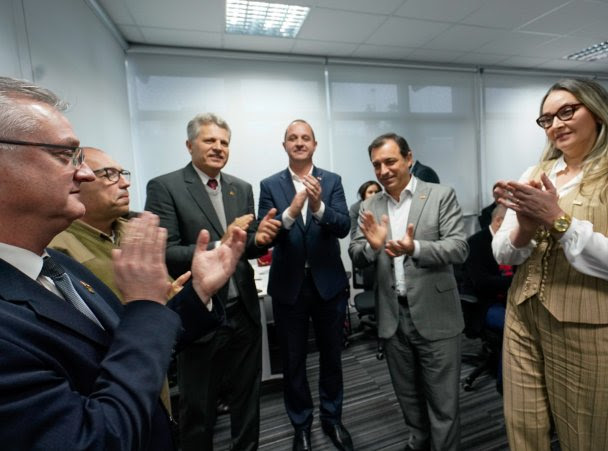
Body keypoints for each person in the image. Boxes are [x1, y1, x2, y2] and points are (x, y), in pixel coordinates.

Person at [0, 77, 245, 450]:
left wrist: (198, 291)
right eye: (64, 155)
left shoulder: (58, 268)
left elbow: (130, 343)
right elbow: (95, 440)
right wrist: (145, 303)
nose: (84, 174)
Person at [492, 78, 608, 450]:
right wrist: (525, 228)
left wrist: (557, 220)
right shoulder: (534, 172)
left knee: (584, 438)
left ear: (598, 112)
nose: (556, 125)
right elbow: (503, 253)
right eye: (547, 119)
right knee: (523, 429)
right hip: (522, 317)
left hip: (589, 328)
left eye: (567, 111)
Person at [145, 113, 280, 451]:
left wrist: (261, 239)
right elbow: (166, 252)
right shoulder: (165, 187)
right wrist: (222, 242)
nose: (218, 147)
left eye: (224, 142)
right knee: (199, 408)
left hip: (243, 310)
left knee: (247, 400)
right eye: (210, 140)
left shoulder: (241, 187)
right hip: (201, 313)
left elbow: (244, 247)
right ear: (189, 145)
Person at [349, 133, 468, 451]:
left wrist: (414, 247)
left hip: (435, 313)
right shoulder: (369, 205)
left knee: (443, 402)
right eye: (377, 165)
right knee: (408, 397)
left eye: (390, 161)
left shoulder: (440, 195)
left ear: (409, 158)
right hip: (392, 317)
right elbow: (356, 253)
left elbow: (459, 248)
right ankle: (418, 442)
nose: (383, 170)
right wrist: (372, 247)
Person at [49, 147, 189, 416]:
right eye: (109, 174)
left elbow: (166, 296)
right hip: (106, 388)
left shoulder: (135, 233)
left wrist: (195, 290)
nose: (125, 183)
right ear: (79, 180)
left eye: (123, 173)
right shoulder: (57, 248)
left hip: (152, 370)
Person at [258, 119, 353, 451]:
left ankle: (332, 418)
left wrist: (318, 207)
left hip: (328, 286)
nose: (299, 142)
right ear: (284, 145)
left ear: (314, 145)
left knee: (332, 357)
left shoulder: (332, 181)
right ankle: (301, 425)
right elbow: (265, 235)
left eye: (305, 138)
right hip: (289, 288)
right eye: (292, 138)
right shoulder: (269, 185)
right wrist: (290, 213)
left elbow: (343, 226)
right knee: (293, 361)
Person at [463, 204, 512, 393]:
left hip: (508, 299)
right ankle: (504, 385)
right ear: (498, 221)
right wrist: (513, 281)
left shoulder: (511, 243)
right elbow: (481, 283)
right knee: (513, 326)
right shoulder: (476, 243)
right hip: (483, 305)